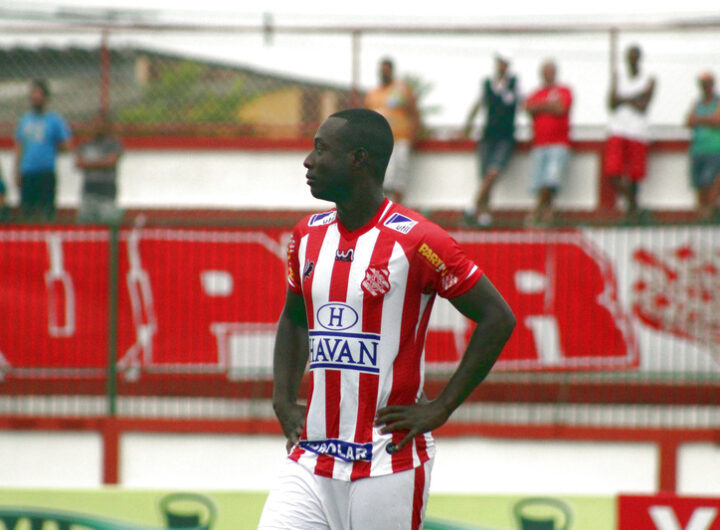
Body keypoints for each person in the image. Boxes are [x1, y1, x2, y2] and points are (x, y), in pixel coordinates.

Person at [258, 108, 516, 530]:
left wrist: (441, 407)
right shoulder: (307, 235)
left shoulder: (418, 241)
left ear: (359, 159)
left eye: (322, 149)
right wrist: (283, 399)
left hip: (386, 461)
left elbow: (497, 317)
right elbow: (294, 318)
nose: (309, 160)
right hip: (310, 459)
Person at [463, 51, 522, 227]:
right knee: (486, 176)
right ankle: (484, 213)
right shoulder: (488, 84)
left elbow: (523, 103)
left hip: (505, 136)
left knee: (492, 173)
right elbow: (478, 104)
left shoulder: (514, 84)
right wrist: (467, 126)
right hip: (488, 135)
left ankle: (472, 207)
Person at [603, 45, 656, 219]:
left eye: (634, 57)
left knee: (635, 176)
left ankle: (631, 210)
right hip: (617, 129)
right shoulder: (619, 77)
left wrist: (623, 99)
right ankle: (635, 206)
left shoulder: (648, 78)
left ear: (639, 58)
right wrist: (635, 96)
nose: (631, 60)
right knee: (612, 173)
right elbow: (611, 103)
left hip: (638, 131)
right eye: (628, 57)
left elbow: (644, 106)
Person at [14, 79, 72, 220]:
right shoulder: (25, 120)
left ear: (45, 98)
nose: (36, 99)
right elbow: (19, 147)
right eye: (34, 96)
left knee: (47, 212)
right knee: (27, 212)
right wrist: (17, 171)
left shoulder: (54, 120)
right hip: (28, 172)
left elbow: (66, 145)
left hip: (46, 172)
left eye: (39, 96)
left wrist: (50, 149)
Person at [364, 58, 420, 204]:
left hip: (401, 138)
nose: (384, 73)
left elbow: (414, 113)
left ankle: (398, 205)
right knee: (385, 176)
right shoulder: (372, 94)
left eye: (387, 70)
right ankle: (384, 206)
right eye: (382, 70)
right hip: (381, 140)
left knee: (400, 175)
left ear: (392, 71)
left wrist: (415, 135)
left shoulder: (402, 90)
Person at [524, 60, 573, 226]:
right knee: (539, 183)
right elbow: (528, 108)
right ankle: (547, 214)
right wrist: (549, 106)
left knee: (551, 180)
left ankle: (536, 212)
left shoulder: (564, 90)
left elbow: (561, 109)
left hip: (558, 144)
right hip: (539, 144)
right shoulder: (535, 93)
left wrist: (541, 107)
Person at [75, 111, 123, 224]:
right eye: (95, 123)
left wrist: (89, 164)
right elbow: (79, 163)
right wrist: (101, 163)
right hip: (88, 193)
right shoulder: (85, 145)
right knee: (85, 227)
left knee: (108, 225)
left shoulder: (113, 144)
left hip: (107, 194)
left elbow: (111, 162)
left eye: (101, 123)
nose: (98, 126)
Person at [686, 71, 720, 220]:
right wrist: (706, 119)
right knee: (698, 183)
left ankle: (709, 210)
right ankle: (701, 212)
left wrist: (699, 120)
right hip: (697, 149)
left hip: (714, 148)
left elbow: (717, 121)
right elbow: (688, 121)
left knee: (710, 181)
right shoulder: (697, 103)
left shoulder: (717, 102)